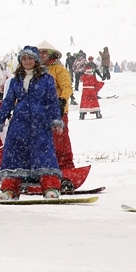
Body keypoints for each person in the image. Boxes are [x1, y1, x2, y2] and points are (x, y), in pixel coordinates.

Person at [0, 46, 65, 200]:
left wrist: (56, 120)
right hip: (19, 123)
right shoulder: (15, 80)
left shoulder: (47, 79)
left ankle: (50, 188)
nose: (27, 61)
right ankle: (10, 189)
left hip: (41, 123)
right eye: (24, 59)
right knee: (15, 156)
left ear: (36, 60)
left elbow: (52, 101)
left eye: (30, 58)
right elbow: (8, 102)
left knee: (44, 156)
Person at [37, 42, 76, 186]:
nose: (41, 56)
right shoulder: (36, 71)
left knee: (61, 143)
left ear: (51, 54)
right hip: (40, 113)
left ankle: (66, 172)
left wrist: (62, 100)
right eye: (39, 53)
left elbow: (67, 87)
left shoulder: (59, 70)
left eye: (44, 53)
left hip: (57, 112)